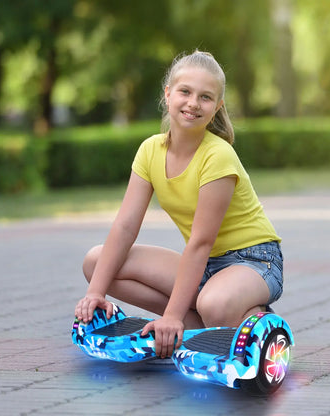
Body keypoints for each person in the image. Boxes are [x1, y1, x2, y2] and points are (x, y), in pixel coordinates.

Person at [75, 50, 284, 359]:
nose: (193, 103)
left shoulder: (218, 155)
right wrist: (96, 293)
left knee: (213, 304)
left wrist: (171, 314)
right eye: (185, 91)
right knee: (96, 262)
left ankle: (243, 315)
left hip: (253, 262)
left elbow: (201, 241)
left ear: (217, 107)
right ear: (168, 93)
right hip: (205, 268)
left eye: (205, 97)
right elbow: (125, 226)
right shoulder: (150, 151)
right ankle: (200, 324)